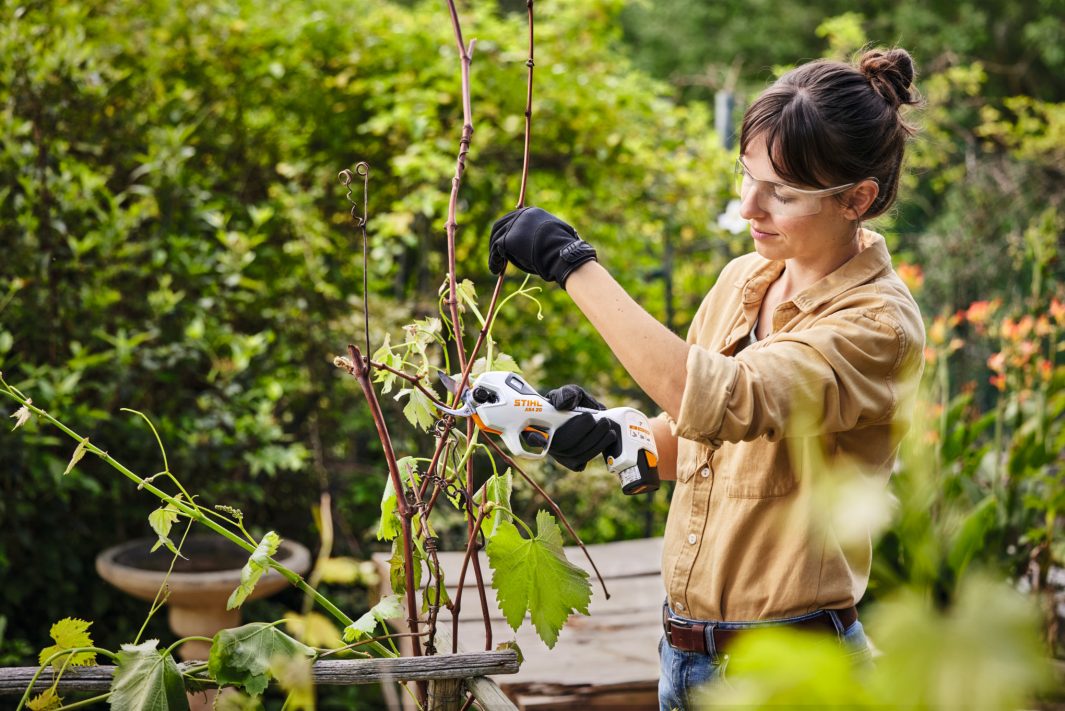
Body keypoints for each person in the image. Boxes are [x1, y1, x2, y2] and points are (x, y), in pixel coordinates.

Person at [487, 48, 926, 709]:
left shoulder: (876, 326)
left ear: (856, 198)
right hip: (686, 661)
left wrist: (571, 263)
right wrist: (615, 433)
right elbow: (710, 444)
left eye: (781, 191)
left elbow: (728, 398)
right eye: (746, 176)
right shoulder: (741, 281)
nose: (749, 205)